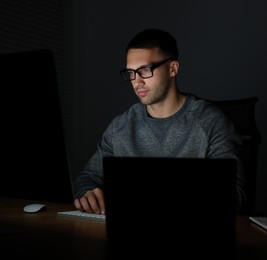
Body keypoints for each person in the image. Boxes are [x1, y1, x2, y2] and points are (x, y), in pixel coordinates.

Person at [73, 28, 246, 215]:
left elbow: (235, 195)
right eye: (130, 72)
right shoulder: (120, 127)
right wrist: (88, 193)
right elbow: (88, 177)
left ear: (173, 69)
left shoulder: (211, 123)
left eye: (144, 70)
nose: (136, 82)